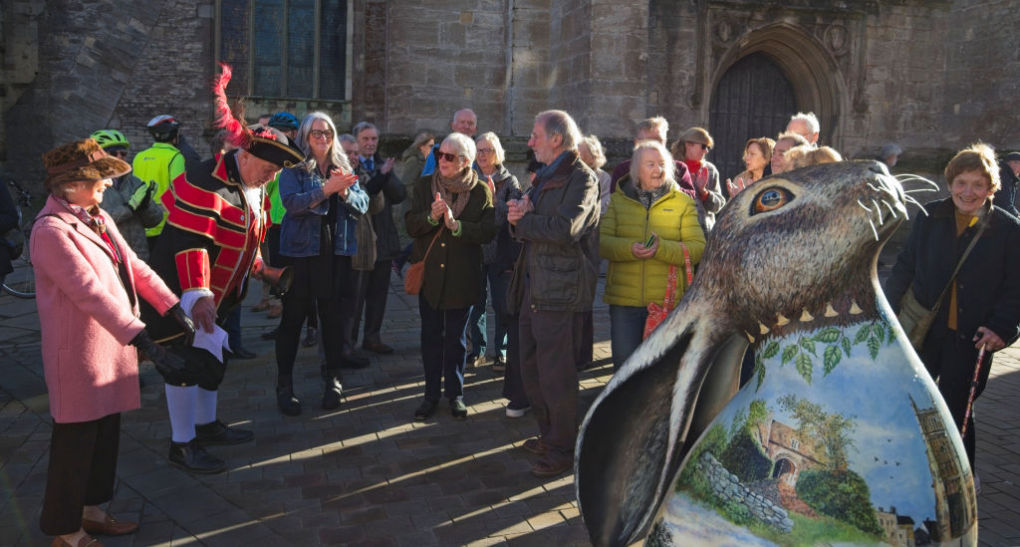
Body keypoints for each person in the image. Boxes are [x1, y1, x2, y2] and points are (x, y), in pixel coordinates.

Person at [140, 64, 305, 474]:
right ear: (244, 155)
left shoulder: (257, 185)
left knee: (215, 362)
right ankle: (182, 444)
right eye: (268, 169)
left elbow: (252, 233)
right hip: (183, 294)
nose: (271, 178)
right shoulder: (206, 179)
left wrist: (262, 267)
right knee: (183, 365)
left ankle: (207, 425)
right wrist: (198, 297)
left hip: (224, 292)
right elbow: (190, 243)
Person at [33, 138, 189, 547]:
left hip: (110, 348)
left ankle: (93, 511)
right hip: (80, 355)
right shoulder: (50, 230)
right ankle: (65, 531)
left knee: (105, 435)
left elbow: (133, 265)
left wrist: (172, 305)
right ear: (70, 185)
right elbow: (88, 292)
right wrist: (144, 340)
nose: (105, 185)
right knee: (75, 443)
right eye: (97, 178)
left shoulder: (96, 216)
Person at [884, 143, 1020, 472]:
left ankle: (960, 484)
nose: (968, 192)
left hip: (972, 337)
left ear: (991, 188)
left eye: (977, 184)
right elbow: (905, 266)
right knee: (913, 402)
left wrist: (1002, 328)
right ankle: (912, 474)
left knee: (957, 411)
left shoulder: (1008, 229)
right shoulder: (931, 216)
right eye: (961, 182)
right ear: (950, 183)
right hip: (924, 329)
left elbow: (1015, 287)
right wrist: (886, 313)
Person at [507, 110, 600, 477]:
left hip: (560, 289)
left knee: (556, 375)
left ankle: (563, 448)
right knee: (531, 368)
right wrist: (518, 214)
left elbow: (566, 228)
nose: (530, 142)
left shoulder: (582, 179)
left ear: (557, 139)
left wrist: (524, 221)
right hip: (536, 284)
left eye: (535, 135)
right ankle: (548, 435)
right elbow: (530, 221)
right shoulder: (544, 176)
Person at [275, 112, 367, 416]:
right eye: (316, 132)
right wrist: (325, 191)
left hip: (335, 252)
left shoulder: (343, 165)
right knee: (293, 320)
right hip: (301, 254)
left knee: (333, 320)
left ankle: (334, 379)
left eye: (327, 131)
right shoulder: (294, 165)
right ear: (305, 135)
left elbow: (362, 205)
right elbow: (291, 204)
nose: (322, 137)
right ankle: (285, 386)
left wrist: (344, 191)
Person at [405, 132, 495, 421]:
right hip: (430, 279)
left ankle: (455, 394)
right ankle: (430, 394)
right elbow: (409, 224)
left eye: (449, 157)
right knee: (430, 337)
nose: (441, 160)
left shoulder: (481, 191)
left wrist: (458, 227)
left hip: (462, 278)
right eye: (438, 155)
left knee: (456, 340)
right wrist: (430, 217)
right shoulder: (423, 186)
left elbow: (487, 232)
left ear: (466, 162)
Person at [601, 141, 706, 369]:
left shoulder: (683, 203)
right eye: (650, 164)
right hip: (624, 302)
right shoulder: (618, 201)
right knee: (624, 367)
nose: (657, 170)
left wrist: (662, 249)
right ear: (637, 169)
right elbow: (603, 243)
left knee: (659, 369)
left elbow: (697, 247)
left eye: (661, 164)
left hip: (666, 303)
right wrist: (631, 249)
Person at [465, 132, 522, 371]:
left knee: (502, 304)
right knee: (476, 303)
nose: (483, 155)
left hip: (501, 253)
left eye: (488, 150)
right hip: (475, 251)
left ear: (497, 152)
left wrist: (494, 202)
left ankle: (502, 351)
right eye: (479, 150)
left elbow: (512, 220)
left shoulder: (510, 182)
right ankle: (477, 350)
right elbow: (467, 216)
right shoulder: (467, 178)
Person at [351, 121, 406, 355]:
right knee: (355, 297)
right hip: (358, 244)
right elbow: (363, 195)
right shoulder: (349, 165)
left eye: (374, 139)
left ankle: (372, 337)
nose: (371, 143)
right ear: (356, 141)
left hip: (382, 240)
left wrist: (386, 175)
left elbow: (399, 195)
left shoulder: (383, 164)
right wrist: (379, 177)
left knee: (378, 295)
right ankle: (348, 343)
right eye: (366, 139)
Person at [90, 129, 165, 262]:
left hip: (137, 257)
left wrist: (146, 205)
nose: (119, 157)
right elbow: (95, 221)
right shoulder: (90, 186)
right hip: (107, 257)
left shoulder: (134, 182)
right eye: (113, 152)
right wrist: (129, 208)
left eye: (123, 153)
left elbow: (154, 221)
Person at [132, 115, 188, 250]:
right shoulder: (175, 157)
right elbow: (180, 191)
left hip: (141, 222)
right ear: (174, 135)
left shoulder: (139, 157)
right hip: (165, 225)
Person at [610, 116, 695, 198]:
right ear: (637, 143)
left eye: (658, 140)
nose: (653, 145)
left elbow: (690, 198)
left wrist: (668, 185)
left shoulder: (679, 168)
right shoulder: (623, 169)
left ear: (665, 142)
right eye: (648, 141)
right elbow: (615, 201)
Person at [392, 131, 436, 274]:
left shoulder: (426, 160)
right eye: (430, 145)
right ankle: (400, 261)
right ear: (420, 146)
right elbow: (407, 184)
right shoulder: (414, 161)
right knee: (420, 236)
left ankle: (403, 262)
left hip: (421, 205)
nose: (432, 148)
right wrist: (420, 200)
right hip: (413, 205)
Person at [673, 126, 727, 231]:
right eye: (703, 146)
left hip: (703, 232)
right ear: (688, 145)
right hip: (676, 231)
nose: (706, 151)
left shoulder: (710, 170)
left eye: (708, 147)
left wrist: (704, 192)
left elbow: (718, 206)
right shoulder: (671, 168)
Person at [421, 108, 478, 176]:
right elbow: (427, 178)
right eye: (462, 122)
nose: (466, 126)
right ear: (453, 126)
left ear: (475, 129)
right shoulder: (438, 151)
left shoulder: (481, 152)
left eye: (470, 123)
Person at [578, 134, 612, 215]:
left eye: (580, 153)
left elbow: (604, 205)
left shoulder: (603, 177)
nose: (577, 156)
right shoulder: (569, 174)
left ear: (593, 155)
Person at [992, 151, 1020, 217]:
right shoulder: (1004, 177)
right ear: (1012, 163)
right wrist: (1017, 215)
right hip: (996, 217)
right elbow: (1005, 203)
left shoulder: (1007, 175)